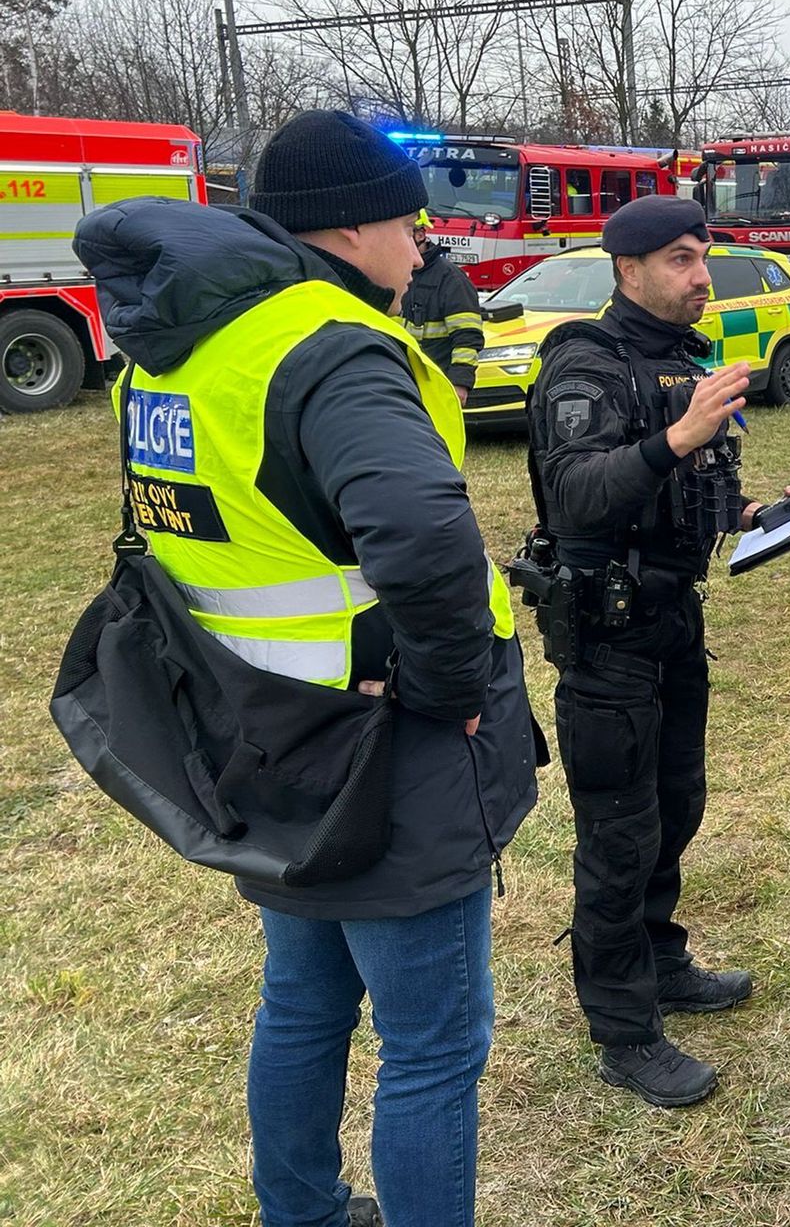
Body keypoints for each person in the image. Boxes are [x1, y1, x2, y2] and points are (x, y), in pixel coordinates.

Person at [79, 109, 539, 1227]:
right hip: (382, 745)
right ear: (349, 228)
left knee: (302, 999)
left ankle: (304, 1211)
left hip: (256, 734)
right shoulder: (330, 347)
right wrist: (448, 693)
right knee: (432, 1046)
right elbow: (425, 548)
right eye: (407, 220)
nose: (423, 244)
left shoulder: (175, 352)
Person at [528, 195, 776, 1108]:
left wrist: (755, 515)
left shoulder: (682, 362)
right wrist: (678, 438)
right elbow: (578, 493)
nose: (702, 275)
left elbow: (692, 491)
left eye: (703, 256)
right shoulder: (583, 365)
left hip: (674, 621)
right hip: (608, 635)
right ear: (626, 268)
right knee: (619, 831)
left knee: (676, 804)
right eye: (680, 259)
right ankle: (623, 1026)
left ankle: (661, 960)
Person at [401, 209, 484, 404]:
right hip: (402, 380)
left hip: (437, 382)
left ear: (420, 234)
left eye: (404, 233)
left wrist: (459, 383)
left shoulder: (450, 279)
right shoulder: (396, 271)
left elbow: (467, 337)